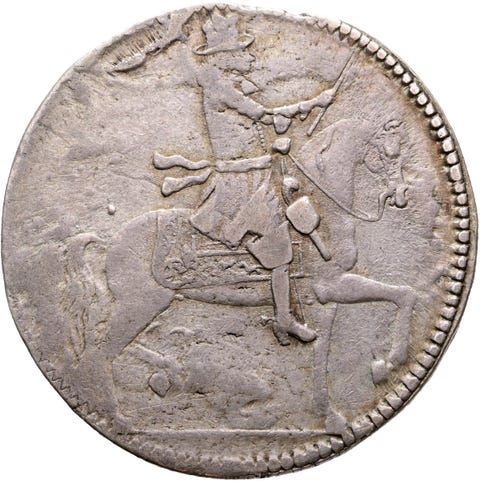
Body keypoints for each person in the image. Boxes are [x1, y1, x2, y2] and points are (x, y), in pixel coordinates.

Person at [183, 12, 334, 345]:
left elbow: (259, 124)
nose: (249, 57)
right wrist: (314, 102)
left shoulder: (227, 83)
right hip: (242, 183)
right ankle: (284, 320)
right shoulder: (221, 86)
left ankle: (283, 317)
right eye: (241, 52)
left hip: (256, 175)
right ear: (224, 57)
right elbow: (264, 114)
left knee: (284, 235)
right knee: (280, 249)